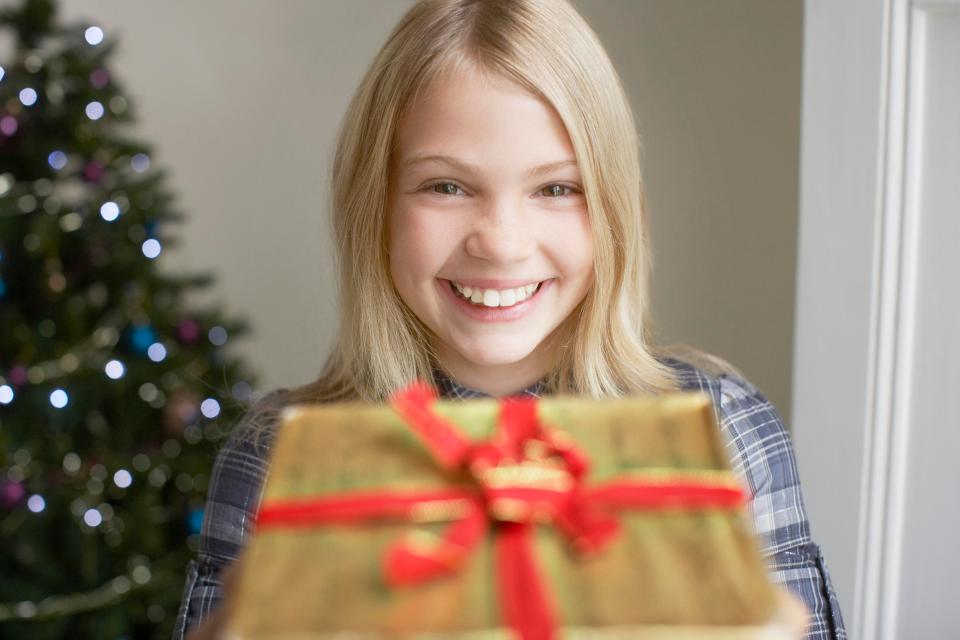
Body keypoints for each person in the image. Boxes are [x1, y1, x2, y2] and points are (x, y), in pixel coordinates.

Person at [173, 0, 845, 638]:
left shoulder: (723, 434)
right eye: (447, 186)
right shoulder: (276, 461)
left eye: (557, 188)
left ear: (613, 208)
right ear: (375, 204)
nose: (500, 240)